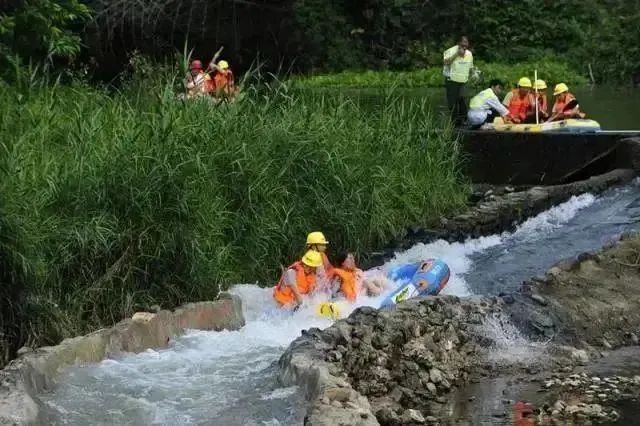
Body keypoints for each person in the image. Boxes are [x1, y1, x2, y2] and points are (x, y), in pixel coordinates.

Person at [443, 36, 474, 125]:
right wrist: (457, 54)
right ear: (458, 43)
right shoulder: (450, 51)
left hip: (463, 81)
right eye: (463, 42)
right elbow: (446, 62)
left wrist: (473, 77)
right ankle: (454, 123)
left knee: (462, 100)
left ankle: (463, 121)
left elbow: (470, 68)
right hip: (451, 80)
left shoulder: (469, 54)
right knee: (452, 103)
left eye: (466, 42)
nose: (465, 44)